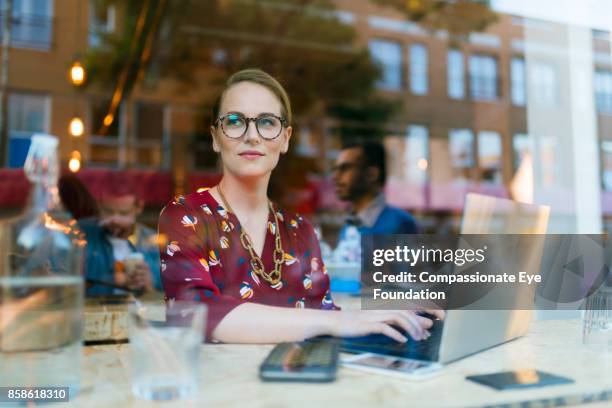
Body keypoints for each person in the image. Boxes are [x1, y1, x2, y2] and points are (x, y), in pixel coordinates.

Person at [159, 68, 443, 343]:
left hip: (300, 384)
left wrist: (395, 315)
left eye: (267, 122)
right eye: (234, 121)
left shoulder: (300, 230)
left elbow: (325, 316)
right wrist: (337, 321)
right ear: (215, 138)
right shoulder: (185, 215)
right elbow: (192, 314)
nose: (251, 134)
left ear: (285, 139)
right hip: (224, 389)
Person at [80, 188, 161, 296]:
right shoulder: (80, 234)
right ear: (99, 204)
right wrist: (113, 280)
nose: (115, 220)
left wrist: (151, 284)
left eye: (123, 213)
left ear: (139, 207)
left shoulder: (152, 241)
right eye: (108, 211)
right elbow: (68, 287)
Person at [333, 141, 420, 241]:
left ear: (372, 174)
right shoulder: (347, 229)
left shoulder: (400, 224)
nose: (335, 176)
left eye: (345, 168)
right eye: (335, 169)